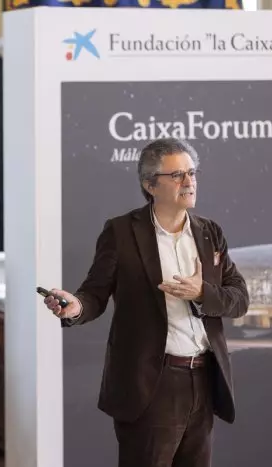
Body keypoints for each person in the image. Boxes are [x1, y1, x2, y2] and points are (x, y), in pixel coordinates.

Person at [44, 137, 249, 467]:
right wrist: (76, 307)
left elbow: (239, 299)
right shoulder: (122, 232)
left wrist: (201, 293)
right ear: (149, 185)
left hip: (204, 379)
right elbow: (94, 295)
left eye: (192, 172)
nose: (189, 181)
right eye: (178, 175)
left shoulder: (210, 232)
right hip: (151, 384)